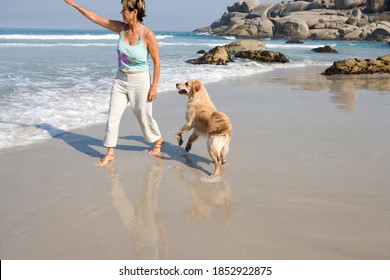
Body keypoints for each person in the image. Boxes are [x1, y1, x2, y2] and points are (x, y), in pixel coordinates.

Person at [64, 0, 164, 166]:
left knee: (143, 115)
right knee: (113, 116)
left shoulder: (148, 35)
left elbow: (157, 62)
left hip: (140, 80)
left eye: (124, 9)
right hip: (120, 79)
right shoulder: (120, 28)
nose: (121, 12)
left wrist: (154, 86)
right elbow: (96, 18)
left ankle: (158, 140)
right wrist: (74, 4)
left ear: (134, 12)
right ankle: (110, 152)